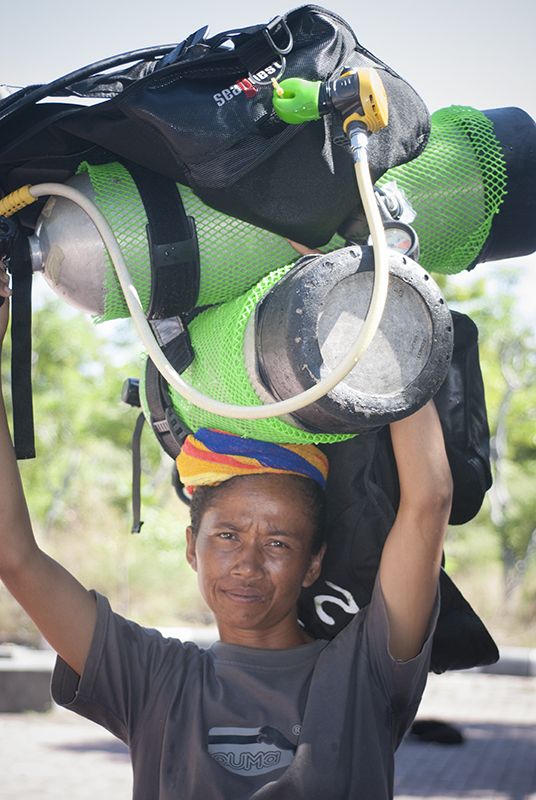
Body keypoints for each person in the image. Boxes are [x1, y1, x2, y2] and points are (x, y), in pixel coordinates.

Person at [0, 264, 453, 799]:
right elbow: (15, 557)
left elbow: (428, 503)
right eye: (227, 535)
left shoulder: (365, 671)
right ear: (192, 547)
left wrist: (379, 312)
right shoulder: (152, 678)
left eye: (279, 542)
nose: (248, 563)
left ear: (313, 562)